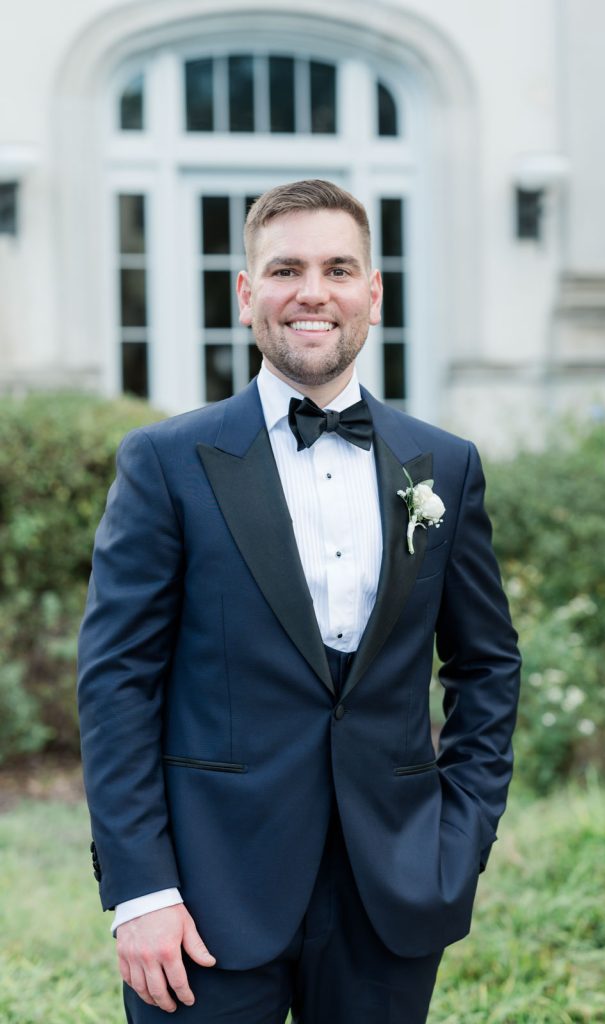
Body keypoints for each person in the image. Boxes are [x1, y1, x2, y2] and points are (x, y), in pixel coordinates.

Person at [78, 179, 521, 1024]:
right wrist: (140, 890)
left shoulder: (445, 465)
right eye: (286, 270)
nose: (313, 292)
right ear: (247, 295)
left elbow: (487, 664)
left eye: (337, 269)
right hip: (202, 899)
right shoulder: (165, 462)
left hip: (391, 891)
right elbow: (116, 685)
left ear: (373, 294)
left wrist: (459, 839)